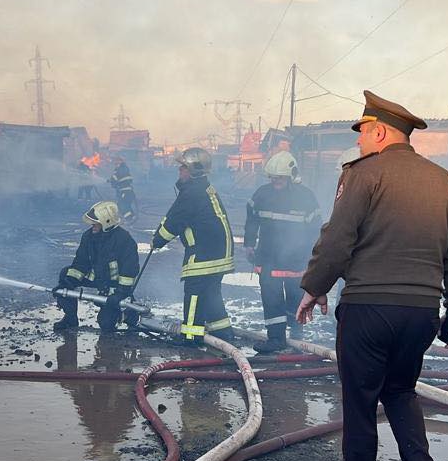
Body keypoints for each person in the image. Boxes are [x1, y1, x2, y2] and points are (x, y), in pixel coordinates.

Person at [296, 90, 448, 461]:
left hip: (368, 309)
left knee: (360, 404)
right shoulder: (445, 182)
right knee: (400, 392)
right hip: (420, 313)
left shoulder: (363, 175)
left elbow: (338, 238)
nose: (359, 143)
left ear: (378, 131)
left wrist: (314, 288)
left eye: (361, 134)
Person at [151, 147, 235, 343]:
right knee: (211, 291)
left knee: (194, 290)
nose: (179, 171)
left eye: (183, 168)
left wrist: (158, 240)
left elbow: (173, 221)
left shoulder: (191, 193)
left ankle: (191, 336)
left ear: (194, 170)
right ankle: (223, 332)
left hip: (204, 252)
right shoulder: (203, 188)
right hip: (219, 252)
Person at [244, 150, 321, 352]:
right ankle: (276, 339)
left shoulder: (306, 197)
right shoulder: (262, 194)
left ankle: (297, 335)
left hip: (297, 261)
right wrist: (249, 243)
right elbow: (251, 219)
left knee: (296, 299)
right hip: (268, 258)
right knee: (271, 299)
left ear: (291, 177)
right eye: (273, 178)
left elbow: (316, 229)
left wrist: (313, 257)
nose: (276, 182)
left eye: (280, 179)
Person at [53, 201, 139, 332]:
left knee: (105, 324)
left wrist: (120, 294)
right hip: (97, 277)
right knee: (66, 273)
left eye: (95, 222)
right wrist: (68, 283)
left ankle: (128, 314)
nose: (92, 225)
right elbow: (80, 262)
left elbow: (129, 271)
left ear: (107, 222)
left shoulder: (124, 240)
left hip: (114, 286)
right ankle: (70, 318)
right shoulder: (88, 236)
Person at [109, 155, 137, 222]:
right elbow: (126, 179)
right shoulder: (125, 169)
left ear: (119, 162)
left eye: (116, 162)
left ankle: (129, 219)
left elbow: (114, 179)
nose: (115, 164)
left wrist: (112, 181)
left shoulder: (119, 170)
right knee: (126, 205)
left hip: (124, 191)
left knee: (122, 205)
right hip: (128, 191)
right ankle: (132, 217)